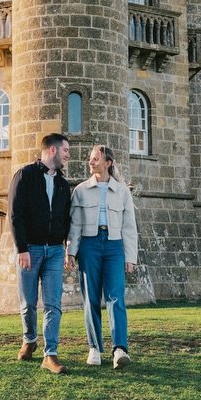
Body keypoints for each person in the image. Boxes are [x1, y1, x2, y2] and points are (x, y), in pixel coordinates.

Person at [67, 144, 138, 368]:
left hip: (114, 245)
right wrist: (70, 251)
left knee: (116, 296)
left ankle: (119, 349)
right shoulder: (80, 190)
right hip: (89, 245)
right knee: (91, 299)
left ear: (108, 163)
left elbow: (129, 226)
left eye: (96, 159)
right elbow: (75, 224)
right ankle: (94, 348)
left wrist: (130, 257)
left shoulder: (122, 191)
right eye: (91, 159)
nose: (91, 162)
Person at [8, 132, 73, 374]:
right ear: (53, 150)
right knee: (28, 303)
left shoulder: (63, 184)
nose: (68, 155)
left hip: (55, 251)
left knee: (53, 304)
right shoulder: (25, 175)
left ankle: (51, 354)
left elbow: (67, 219)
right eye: (65, 150)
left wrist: (68, 248)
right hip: (31, 249)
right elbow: (15, 214)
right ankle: (29, 339)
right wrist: (22, 248)